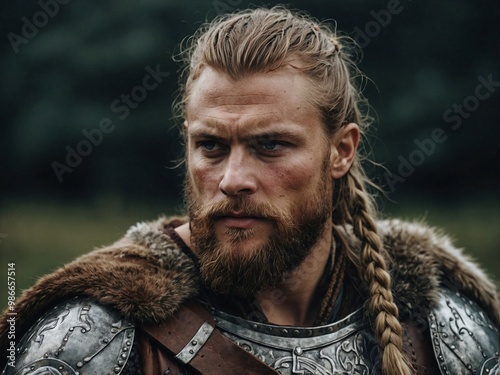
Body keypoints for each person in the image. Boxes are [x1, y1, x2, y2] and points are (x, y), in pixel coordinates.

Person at [1, 6, 499, 375]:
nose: (233, 178)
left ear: (341, 151)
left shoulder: (440, 329)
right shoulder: (91, 342)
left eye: (271, 145)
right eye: (212, 146)